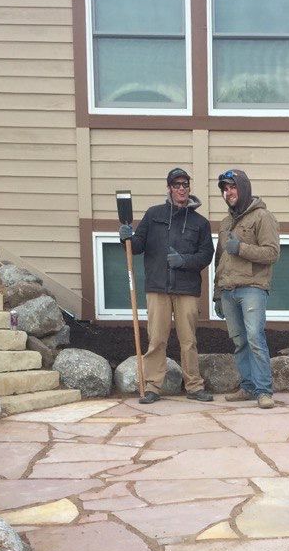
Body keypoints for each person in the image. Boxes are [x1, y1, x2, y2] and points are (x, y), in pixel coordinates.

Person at [118, 167, 215, 404]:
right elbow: (138, 246)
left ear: (189, 188)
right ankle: (152, 386)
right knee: (156, 339)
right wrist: (126, 238)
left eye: (185, 184)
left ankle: (193, 385)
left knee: (189, 340)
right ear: (169, 188)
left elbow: (206, 255)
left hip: (187, 290)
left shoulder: (200, 223)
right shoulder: (154, 215)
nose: (181, 188)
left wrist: (184, 261)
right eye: (176, 184)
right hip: (158, 288)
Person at [214, 168, 280, 409]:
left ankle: (264, 391)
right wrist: (217, 293)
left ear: (243, 188)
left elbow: (272, 253)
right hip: (228, 290)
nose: (228, 192)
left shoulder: (262, 216)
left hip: (252, 288)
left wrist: (240, 248)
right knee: (239, 341)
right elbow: (219, 258)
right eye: (224, 189)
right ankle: (248, 387)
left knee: (255, 338)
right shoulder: (225, 222)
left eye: (232, 187)